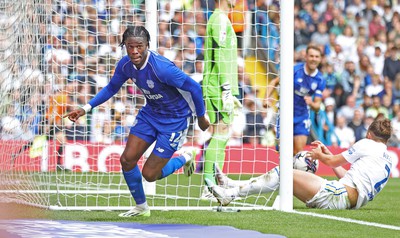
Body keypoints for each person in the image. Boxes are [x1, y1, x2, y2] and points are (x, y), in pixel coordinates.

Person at [64, 26, 210, 217]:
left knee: (150, 175)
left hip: (174, 121)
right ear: (124, 46)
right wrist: (85, 108)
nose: (134, 51)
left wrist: (201, 117)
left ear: (147, 45)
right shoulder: (125, 65)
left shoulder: (162, 68)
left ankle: (185, 157)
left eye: (139, 46)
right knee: (126, 160)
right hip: (150, 115)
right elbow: (111, 88)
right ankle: (141, 207)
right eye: (130, 46)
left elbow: (195, 88)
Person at [206, 117, 393, 210]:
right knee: (284, 176)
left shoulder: (367, 143)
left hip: (338, 194)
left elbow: (332, 161)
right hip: (346, 199)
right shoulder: (388, 160)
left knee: (285, 172)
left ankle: (230, 194)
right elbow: (349, 178)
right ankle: (231, 186)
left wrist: (320, 155)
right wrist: (327, 155)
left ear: (369, 133)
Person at [201, 0, 241, 196]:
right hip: (218, 87)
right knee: (220, 133)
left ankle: (216, 182)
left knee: (222, 135)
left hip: (221, 87)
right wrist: (226, 88)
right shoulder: (219, 19)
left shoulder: (222, 19)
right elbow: (219, 55)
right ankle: (209, 186)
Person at [263, 45, 326, 155]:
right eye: (311, 56)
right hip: (284, 113)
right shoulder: (295, 70)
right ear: (306, 57)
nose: (314, 59)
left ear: (320, 59)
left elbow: (317, 107)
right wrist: (266, 99)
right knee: (283, 151)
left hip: (302, 116)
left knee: (298, 152)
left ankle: (294, 171)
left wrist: (311, 103)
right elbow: (274, 82)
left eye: (317, 57)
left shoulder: (320, 79)